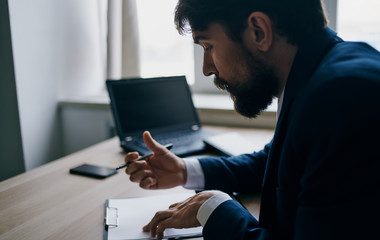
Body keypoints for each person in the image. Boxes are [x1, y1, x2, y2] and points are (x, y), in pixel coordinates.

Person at [124, 0, 380, 239]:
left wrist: (213, 208)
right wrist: (184, 171)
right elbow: (273, 163)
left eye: (208, 46)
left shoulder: (344, 97)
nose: (207, 68)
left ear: (259, 31)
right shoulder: (319, 75)